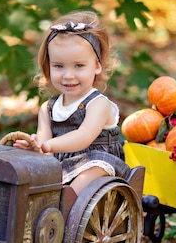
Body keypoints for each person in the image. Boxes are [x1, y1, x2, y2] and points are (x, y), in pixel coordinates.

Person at [13, 10, 130, 195]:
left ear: (97, 66)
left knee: (94, 168)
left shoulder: (98, 104)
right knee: (29, 175)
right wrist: (37, 147)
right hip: (61, 169)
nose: (68, 75)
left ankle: (66, 207)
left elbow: (84, 136)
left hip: (97, 165)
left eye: (79, 66)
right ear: (48, 67)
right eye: (59, 66)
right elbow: (45, 149)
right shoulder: (48, 109)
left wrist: (50, 145)